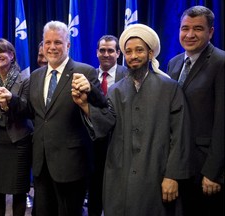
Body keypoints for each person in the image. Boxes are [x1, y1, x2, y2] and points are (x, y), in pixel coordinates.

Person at [72, 24, 192, 216]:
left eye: (139, 50)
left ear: (150, 53)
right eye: (128, 51)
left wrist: (173, 176)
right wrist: (85, 106)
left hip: (155, 173)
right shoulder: (116, 90)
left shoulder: (170, 88)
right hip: (120, 174)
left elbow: (180, 136)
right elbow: (105, 125)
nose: (133, 56)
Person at [0, 21, 106, 216]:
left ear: (68, 45)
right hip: (41, 161)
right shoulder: (36, 75)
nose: (52, 47)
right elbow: (33, 111)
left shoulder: (85, 71)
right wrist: (11, 100)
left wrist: (88, 96)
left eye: (58, 42)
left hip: (72, 163)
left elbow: (102, 109)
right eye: (48, 42)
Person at [167, 6, 225, 216]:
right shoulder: (173, 64)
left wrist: (214, 172)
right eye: (185, 28)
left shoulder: (222, 63)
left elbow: (223, 123)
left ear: (210, 32)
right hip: (179, 167)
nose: (190, 34)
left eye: (198, 28)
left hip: (206, 171)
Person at [0, 38, 34, 216]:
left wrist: (9, 102)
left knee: (18, 191)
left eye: (1, 52)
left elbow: (28, 109)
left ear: (12, 55)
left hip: (18, 141)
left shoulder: (25, 79)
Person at [87, 34, 128, 216]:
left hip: (120, 141)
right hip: (94, 143)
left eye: (111, 50)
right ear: (96, 53)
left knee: (118, 189)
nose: (106, 54)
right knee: (95, 188)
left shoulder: (127, 75)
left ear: (118, 53)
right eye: (102, 50)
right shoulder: (89, 76)